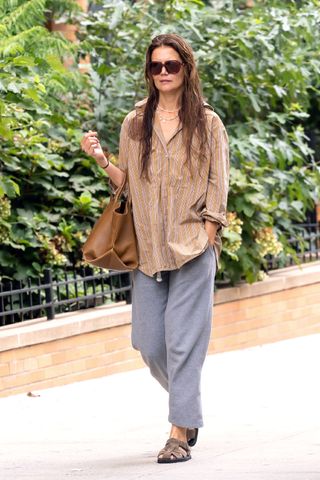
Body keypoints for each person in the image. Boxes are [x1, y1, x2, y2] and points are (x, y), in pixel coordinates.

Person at [81, 33, 229, 464]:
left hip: (191, 247)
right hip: (146, 250)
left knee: (183, 344)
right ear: (149, 72)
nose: (163, 73)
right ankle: (190, 407)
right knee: (149, 343)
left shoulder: (208, 122)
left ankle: (178, 433)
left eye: (172, 65)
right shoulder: (134, 123)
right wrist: (102, 161)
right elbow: (128, 184)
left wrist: (207, 234)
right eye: (156, 66)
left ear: (186, 68)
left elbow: (219, 183)